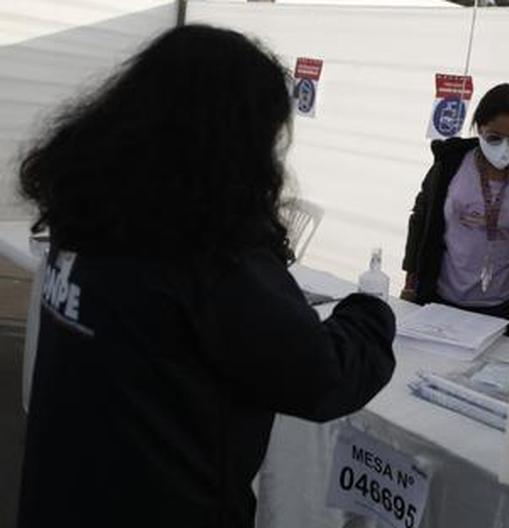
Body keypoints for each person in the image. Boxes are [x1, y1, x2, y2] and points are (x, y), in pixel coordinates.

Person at [17, 26, 396, 527]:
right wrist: (368, 313)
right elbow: (320, 376)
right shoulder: (210, 256)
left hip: (66, 495)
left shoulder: (89, 212)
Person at [401, 83, 509, 335]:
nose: (503, 148)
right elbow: (421, 220)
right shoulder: (450, 165)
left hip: (501, 308)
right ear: (479, 129)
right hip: (441, 297)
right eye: (494, 138)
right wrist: (411, 280)